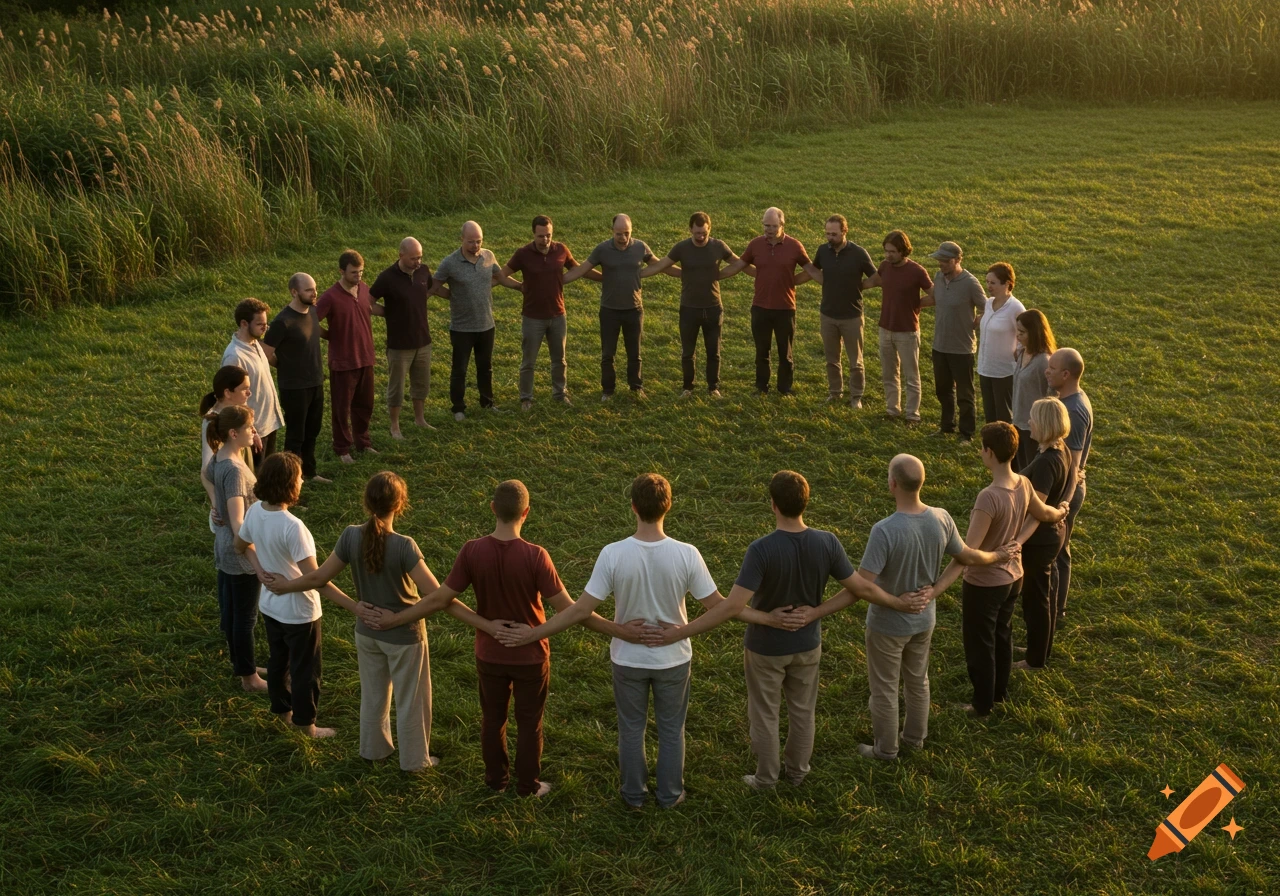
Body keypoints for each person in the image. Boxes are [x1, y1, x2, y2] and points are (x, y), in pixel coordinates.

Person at [367, 480, 630, 796]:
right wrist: (620, 630)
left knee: (493, 720)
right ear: (527, 512)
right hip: (531, 657)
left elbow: (439, 599)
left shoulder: (472, 550)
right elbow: (573, 612)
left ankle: (495, 783)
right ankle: (527, 787)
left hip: (489, 654)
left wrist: (396, 618)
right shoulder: (536, 556)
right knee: (530, 724)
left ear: (493, 508)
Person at [494, 474, 722, 809]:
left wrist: (533, 633)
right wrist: (677, 633)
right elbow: (718, 608)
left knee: (632, 729)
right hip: (673, 659)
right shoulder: (687, 554)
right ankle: (671, 796)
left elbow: (580, 611)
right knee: (672, 730)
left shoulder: (613, 554)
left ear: (632, 507)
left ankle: (633, 796)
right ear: (668, 507)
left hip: (628, 660)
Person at [711, 470, 927, 790]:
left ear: (772, 505)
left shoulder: (761, 549)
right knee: (803, 711)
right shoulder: (827, 541)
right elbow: (859, 590)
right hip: (807, 645)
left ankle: (766, 779)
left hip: (766, 649)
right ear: (806, 503)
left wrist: (770, 619)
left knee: (765, 714)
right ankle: (798, 773)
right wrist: (817, 613)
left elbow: (732, 606)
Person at [265, 472, 487, 771]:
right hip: (405, 638)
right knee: (411, 701)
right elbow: (437, 597)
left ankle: (373, 750)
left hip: (366, 633)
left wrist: (284, 585)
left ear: (367, 502)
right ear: (400, 504)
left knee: (373, 696)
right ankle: (415, 762)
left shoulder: (349, 536)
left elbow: (318, 578)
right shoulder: (404, 546)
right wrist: (484, 624)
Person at [856, 454, 1011, 760]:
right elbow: (966, 557)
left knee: (885, 689)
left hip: (887, 625)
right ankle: (915, 740)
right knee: (918, 681)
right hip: (924, 620)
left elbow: (863, 585)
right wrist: (997, 556)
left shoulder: (884, 530)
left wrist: (897, 603)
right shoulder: (941, 518)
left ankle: (886, 750)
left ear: (892, 484)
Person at [926, 423, 1067, 715]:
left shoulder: (988, 497)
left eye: (982, 448)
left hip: (985, 583)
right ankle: (999, 695)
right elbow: (1044, 514)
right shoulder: (1024, 484)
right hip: (1014, 578)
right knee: (1003, 636)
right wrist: (1063, 509)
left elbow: (968, 554)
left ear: (989, 452)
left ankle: (981, 705)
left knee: (980, 645)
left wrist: (935, 590)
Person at [235, 452, 359, 737]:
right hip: (299, 613)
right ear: (290, 485)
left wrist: (261, 572)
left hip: (270, 607)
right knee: (305, 671)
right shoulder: (294, 528)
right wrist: (355, 607)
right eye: (300, 477)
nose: (302, 480)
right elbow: (316, 579)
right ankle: (306, 725)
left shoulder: (254, 511)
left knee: (279, 663)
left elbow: (239, 545)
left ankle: (283, 714)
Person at [500, 215, 600, 409]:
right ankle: (526, 398)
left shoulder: (561, 250)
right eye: (540, 236)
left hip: (557, 315)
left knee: (559, 359)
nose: (545, 240)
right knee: (528, 361)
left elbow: (578, 270)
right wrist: (519, 287)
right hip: (532, 317)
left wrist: (605, 277)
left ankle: (560, 394)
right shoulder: (523, 254)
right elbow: (502, 275)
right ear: (533, 234)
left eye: (548, 235)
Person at [718, 207, 819, 396]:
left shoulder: (795, 246)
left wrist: (793, 281)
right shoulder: (755, 244)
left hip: (785, 308)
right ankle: (761, 387)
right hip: (760, 307)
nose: (769, 229)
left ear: (782, 225)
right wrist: (715, 276)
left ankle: (784, 388)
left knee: (785, 352)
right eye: (766, 225)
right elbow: (739, 265)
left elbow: (811, 270)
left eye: (773, 226)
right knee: (761, 351)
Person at [204, 405, 268, 693]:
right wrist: (257, 561)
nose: (254, 432)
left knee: (231, 612)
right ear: (233, 433)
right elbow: (240, 523)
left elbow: (207, 474)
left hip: (224, 548)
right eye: (249, 429)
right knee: (244, 618)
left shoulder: (220, 458)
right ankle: (249, 678)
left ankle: (243, 663)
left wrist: (216, 505)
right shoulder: (234, 471)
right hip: (239, 554)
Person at [431, 221, 523, 421]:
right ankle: (458, 408)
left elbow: (501, 277)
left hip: (486, 324)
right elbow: (434, 286)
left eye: (479, 241)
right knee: (459, 369)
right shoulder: (450, 262)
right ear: (461, 240)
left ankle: (487, 403)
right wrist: (452, 295)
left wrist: (521, 287)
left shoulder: (488, 256)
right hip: (462, 328)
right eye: (471, 242)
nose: (475, 246)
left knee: (485, 367)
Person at [641, 212, 738, 397]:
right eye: (697, 233)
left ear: (709, 229)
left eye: (704, 233)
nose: (701, 237)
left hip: (713, 307)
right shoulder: (681, 248)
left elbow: (738, 263)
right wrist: (637, 275)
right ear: (690, 230)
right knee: (687, 352)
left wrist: (719, 275)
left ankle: (713, 387)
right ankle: (688, 387)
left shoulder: (718, 246)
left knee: (713, 351)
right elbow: (663, 265)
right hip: (689, 308)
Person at [563, 214, 660, 401]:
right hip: (609, 311)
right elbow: (583, 269)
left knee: (635, 353)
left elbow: (659, 264)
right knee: (608, 354)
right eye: (618, 234)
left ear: (632, 231)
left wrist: (682, 273)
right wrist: (558, 282)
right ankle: (608, 390)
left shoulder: (640, 247)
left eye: (626, 233)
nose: (623, 238)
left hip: (634, 309)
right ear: (612, 231)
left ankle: (636, 387)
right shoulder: (602, 249)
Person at [1013, 398, 1077, 670]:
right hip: (1053, 534)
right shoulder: (1061, 449)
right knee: (1045, 595)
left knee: (1036, 600)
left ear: (1047, 425)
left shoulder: (1045, 464)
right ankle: (1040, 648)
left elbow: (1036, 511)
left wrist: (1017, 541)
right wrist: (1064, 504)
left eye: (1034, 419)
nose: (1029, 423)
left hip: (1040, 540)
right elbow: (1075, 476)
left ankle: (1035, 660)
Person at [800, 215, 878, 408]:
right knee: (832, 359)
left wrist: (859, 286)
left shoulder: (859, 253)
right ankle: (835, 393)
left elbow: (876, 278)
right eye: (827, 233)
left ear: (845, 231)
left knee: (855, 361)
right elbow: (814, 269)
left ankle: (856, 396)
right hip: (828, 314)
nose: (830, 237)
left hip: (852, 315)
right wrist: (825, 282)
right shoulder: (822, 251)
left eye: (834, 234)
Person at [264, 273, 330, 484]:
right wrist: (283, 364)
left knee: (312, 431)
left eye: (314, 288)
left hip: (315, 382)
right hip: (294, 387)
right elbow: (265, 354)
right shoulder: (282, 322)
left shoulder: (312, 310)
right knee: (295, 436)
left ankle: (309, 472)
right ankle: (289, 479)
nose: (314, 293)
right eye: (309, 290)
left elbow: (315, 331)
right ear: (294, 292)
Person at [861, 231, 933, 423]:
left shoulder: (917, 271)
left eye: (892, 252)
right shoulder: (885, 267)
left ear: (903, 251)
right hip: (885, 328)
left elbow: (935, 295)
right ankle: (893, 411)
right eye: (886, 251)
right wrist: (848, 285)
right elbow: (872, 281)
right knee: (889, 373)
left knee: (911, 376)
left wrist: (916, 304)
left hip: (907, 331)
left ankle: (912, 415)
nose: (887, 255)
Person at [369, 238, 436, 438]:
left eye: (420, 257)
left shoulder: (423, 271)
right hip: (399, 345)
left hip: (423, 340)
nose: (418, 262)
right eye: (413, 258)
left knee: (421, 383)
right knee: (396, 387)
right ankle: (395, 426)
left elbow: (429, 289)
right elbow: (368, 302)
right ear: (401, 256)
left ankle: (420, 419)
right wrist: (387, 312)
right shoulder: (387, 278)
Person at [316, 250, 378, 463]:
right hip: (343, 362)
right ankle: (342, 448)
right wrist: (330, 336)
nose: (358, 276)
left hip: (366, 357)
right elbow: (311, 320)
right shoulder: (330, 296)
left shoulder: (364, 290)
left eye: (361, 272)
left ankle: (363, 442)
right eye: (354, 272)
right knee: (342, 408)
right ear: (342, 271)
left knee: (365, 404)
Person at [1045, 348, 1093, 623]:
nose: (1046, 371)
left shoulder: (1074, 410)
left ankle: (1055, 612)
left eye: (1051, 368)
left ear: (1066, 374)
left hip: (1066, 490)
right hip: (1060, 487)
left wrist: (1063, 502)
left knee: (1057, 553)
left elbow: (1073, 466)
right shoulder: (1066, 398)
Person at [923, 241, 985, 442]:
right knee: (943, 389)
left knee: (965, 393)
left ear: (958, 260)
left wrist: (976, 323)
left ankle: (966, 433)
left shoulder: (970, 283)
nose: (941, 264)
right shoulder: (939, 277)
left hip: (962, 348)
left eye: (946, 261)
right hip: (939, 346)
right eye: (939, 260)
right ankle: (946, 427)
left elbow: (987, 307)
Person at [221, 298, 284, 469]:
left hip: (268, 423)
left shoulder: (255, 344)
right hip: (254, 430)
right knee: (255, 479)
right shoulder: (234, 356)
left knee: (268, 474)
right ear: (243, 323)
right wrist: (252, 430)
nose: (265, 327)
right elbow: (232, 401)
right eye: (260, 324)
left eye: (266, 323)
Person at [200, 365, 258, 521]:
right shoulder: (213, 422)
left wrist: (255, 433)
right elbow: (205, 470)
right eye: (244, 389)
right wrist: (216, 503)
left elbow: (244, 420)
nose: (249, 393)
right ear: (227, 393)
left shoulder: (237, 406)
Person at [976, 263, 1026, 425]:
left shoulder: (1015, 308)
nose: (988, 286)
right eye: (987, 282)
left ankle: (1007, 448)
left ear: (1007, 284)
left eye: (993, 283)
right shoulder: (989, 304)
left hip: (1003, 371)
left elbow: (1025, 334)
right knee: (989, 413)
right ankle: (991, 448)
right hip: (985, 368)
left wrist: (1018, 352)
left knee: (1003, 415)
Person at [1011, 308, 1056, 471]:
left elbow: (1052, 394)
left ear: (1035, 333)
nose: (1018, 336)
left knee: (1029, 469)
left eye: (1022, 332)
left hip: (1033, 427)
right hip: (1017, 421)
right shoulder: (1022, 352)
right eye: (1017, 331)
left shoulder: (1044, 361)